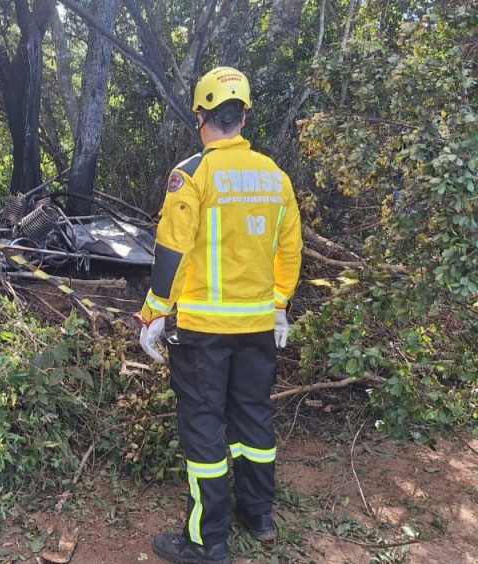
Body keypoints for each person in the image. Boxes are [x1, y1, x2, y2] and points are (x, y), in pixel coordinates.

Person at [137, 66, 303, 564]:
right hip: (257, 328)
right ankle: (259, 513)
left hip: (203, 334)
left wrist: (154, 313)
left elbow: (171, 249)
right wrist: (278, 306)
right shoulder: (276, 177)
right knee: (253, 415)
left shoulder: (192, 174)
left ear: (202, 118)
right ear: (245, 115)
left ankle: (207, 542)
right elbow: (289, 250)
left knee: (205, 429)